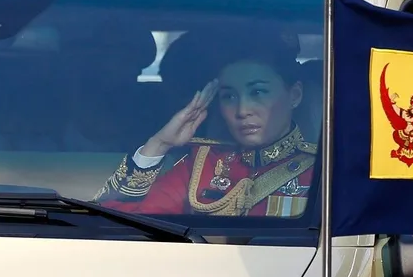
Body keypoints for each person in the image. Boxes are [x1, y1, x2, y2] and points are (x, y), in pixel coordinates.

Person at [93, 30, 317, 217]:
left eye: (258, 92)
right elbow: (121, 220)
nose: (242, 111)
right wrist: (159, 144)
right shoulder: (202, 164)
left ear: (295, 95)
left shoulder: (323, 171)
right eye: (229, 96)